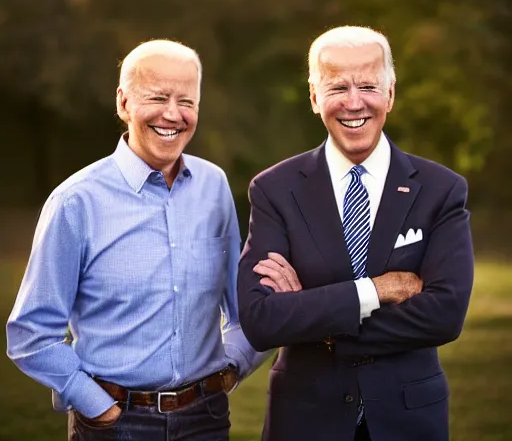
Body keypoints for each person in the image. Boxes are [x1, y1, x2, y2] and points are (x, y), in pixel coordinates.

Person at [7, 39, 268, 441]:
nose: (173, 114)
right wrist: (98, 406)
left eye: (187, 101)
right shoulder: (76, 201)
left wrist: (232, 365)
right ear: (124, 102)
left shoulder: (214, 186)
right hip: (115, 424)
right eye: (158, 97)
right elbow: (30, 334)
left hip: (207, 420)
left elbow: (242, 307)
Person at [237, 26, 474, 441]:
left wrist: (316, 320)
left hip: (408, 421)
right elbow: (261, 320)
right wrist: (375, 291)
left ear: (391, 94)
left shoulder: (442, 189)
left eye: (368, 85)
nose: (353, 102)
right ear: (314, 97)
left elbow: (445, 315)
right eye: (337, 87)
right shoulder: (274, 189)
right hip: (305, 421)